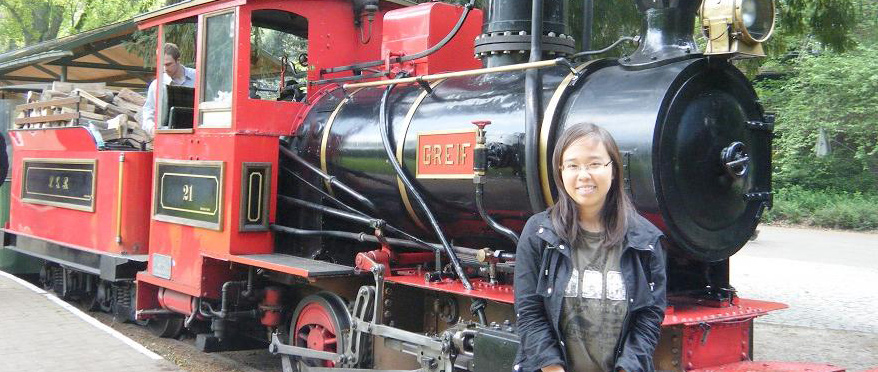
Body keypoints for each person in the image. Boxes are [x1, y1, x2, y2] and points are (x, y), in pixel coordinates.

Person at [513, 123, 667, 372]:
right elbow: (529, 312)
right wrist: (552, 368)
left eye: (595, 164)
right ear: (561, 171)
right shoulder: (538, 233)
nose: (583, 175)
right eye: (573, 165)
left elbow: (649, 317)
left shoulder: (646, 241)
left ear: (614, 169)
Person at [141, 43, 196, 135]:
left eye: (168, 64)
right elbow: (148, 112)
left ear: (178, 60)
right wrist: (152, 129)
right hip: (167, 138)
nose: (165, 69)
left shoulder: (197, 77)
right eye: (162, 65)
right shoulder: (156, 85)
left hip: (194, 136)